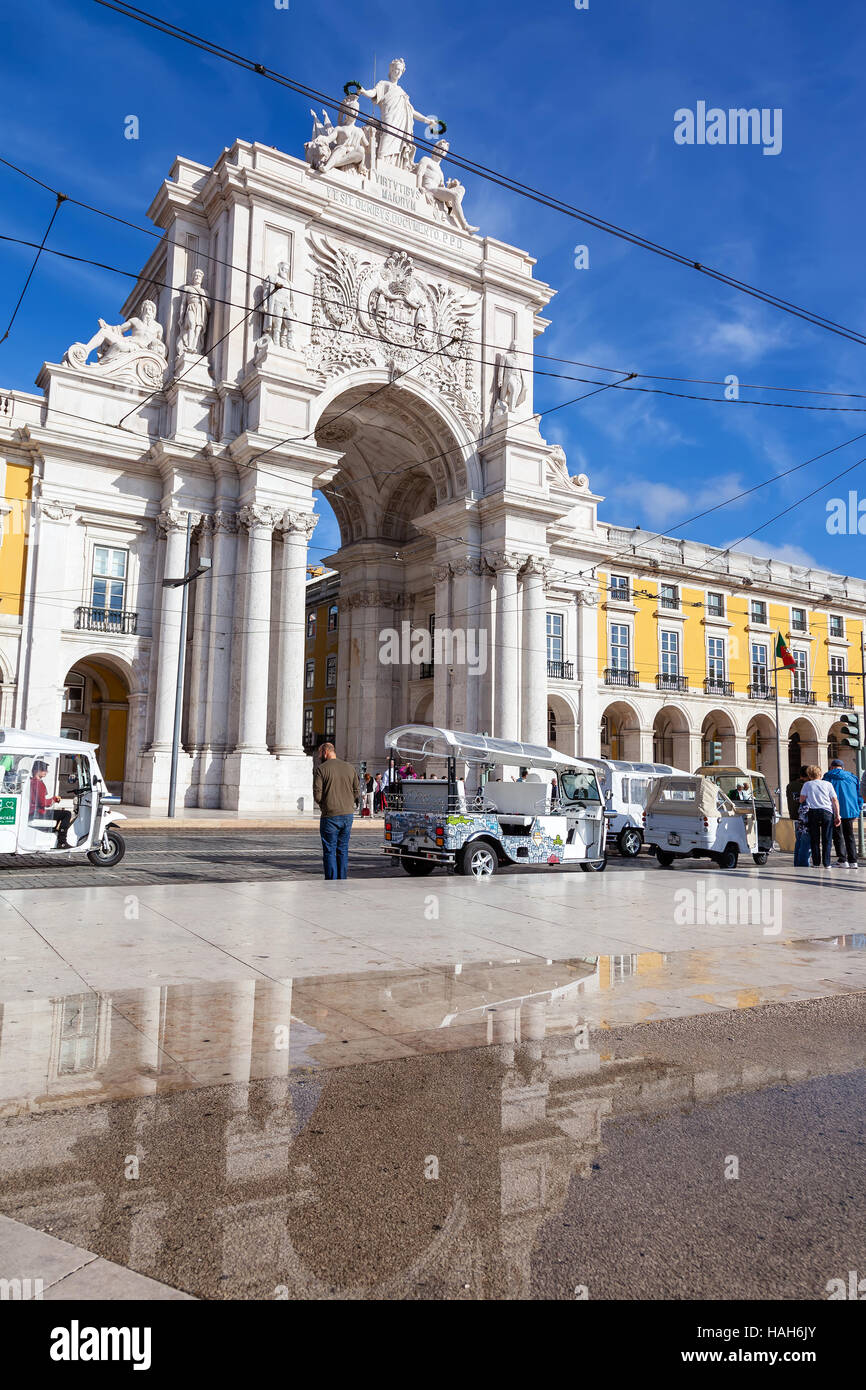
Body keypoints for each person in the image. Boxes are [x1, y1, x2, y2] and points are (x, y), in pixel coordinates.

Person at [312, 743, 359, 880]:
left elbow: (317, 796)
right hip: (347, 815)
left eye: (320, 753)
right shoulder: (350, 768)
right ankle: (342, 879)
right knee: (343, 849)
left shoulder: (321, 769)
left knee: (329, 850)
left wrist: (325, 805)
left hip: (330, 815)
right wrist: (347, 802)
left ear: (326, 752)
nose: (320, 756)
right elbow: (356, 791)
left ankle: (331, 881)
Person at [799, 766, 841, 870]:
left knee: (815, 838)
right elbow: (835, 800)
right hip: (827, 812)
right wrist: (837, 815)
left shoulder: (807, 785)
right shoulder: (828, 784)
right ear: (820, 774)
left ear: (809, 775)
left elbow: (801, 800)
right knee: (827, 838)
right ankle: (827, 863)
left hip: (813, 812)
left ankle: (816, 862)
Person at [823, 759, 863, 867]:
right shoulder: (853, 777)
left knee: (837, 836)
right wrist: (858, 810)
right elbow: (859, 795)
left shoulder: (827, 777)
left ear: (831, 767)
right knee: (850, 836)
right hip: (850, 810)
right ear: (843, 767)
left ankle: (842, 859)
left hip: (834, 810)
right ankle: (853, 861)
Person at [29, 760, 73, 849]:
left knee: (58, 813)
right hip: (38, 812)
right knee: (66, 814)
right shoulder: (39, 784)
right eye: (44, 770)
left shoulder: (30, 781)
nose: (46, 772)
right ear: (37, 771)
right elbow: (43, 803)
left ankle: (54, 832)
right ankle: (62, 841)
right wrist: (54, 799)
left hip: (32, 811)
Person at [793, 794, 812, 868]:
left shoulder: (798, 796)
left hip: (799, 822)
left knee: (799, 843)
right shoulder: (808, 799)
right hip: (805, 825)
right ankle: (803, 864)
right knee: (805, 845)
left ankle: (797, 863)